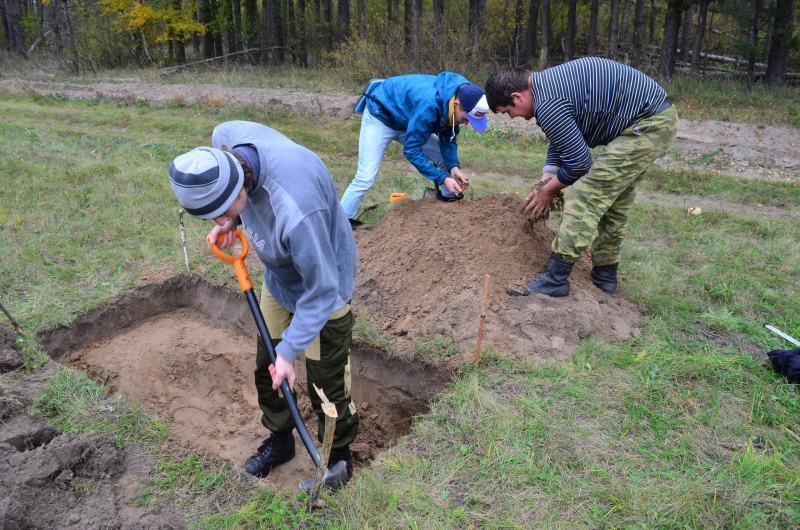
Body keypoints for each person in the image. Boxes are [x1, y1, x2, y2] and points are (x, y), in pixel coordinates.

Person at [168, 120, 359, 490]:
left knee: (326, 380)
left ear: (238, 183)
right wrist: (231, 219)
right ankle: (281, 439)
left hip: (324, 283)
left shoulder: (297, 207)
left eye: (223, 211)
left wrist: (291, 350)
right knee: (267, 363)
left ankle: (338, 458)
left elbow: (321, 288)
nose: (220, 222)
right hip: (281, 277)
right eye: (213, 216)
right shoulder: (226, 141)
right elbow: (227, 193)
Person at [484, 57, 679, 297]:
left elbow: (579, 163)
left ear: (517, 96)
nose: (513, 118)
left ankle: (555, 278)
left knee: (585, 194)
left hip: (647, 124)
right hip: (656, 118)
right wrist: (548, 176)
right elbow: (564, 139)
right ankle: (605, 276)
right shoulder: (547, 86)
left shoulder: (548, 103)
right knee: (613, 202)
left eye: (508, 112)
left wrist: (549, 191)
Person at [340, 73, 490, 223]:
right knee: (365, 177)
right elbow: (412, 150)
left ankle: (449, 204)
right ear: (456, 104)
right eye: (465, 118)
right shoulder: (429, 103)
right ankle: (340, 221)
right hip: (381, 116)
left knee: (445, 158)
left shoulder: (460, 98)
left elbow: (448, 137)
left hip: (409, 119)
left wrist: (453, 167)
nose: (465, 123)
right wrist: (442, 178)